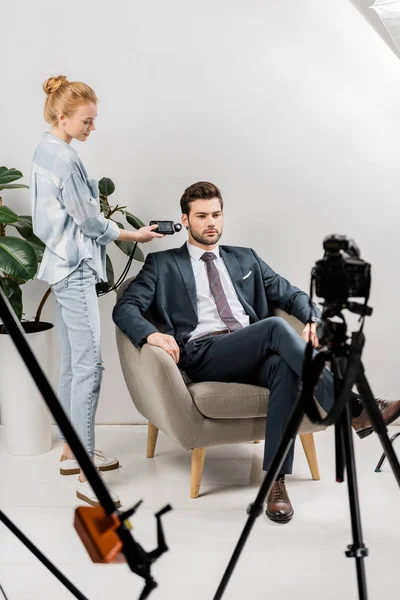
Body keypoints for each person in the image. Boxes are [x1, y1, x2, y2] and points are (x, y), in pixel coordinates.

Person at [112, 181, 400, 523]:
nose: (211, 223)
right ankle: (352, 407)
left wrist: (310, 318)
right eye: (201, 216)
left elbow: (292, 295)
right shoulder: (163, 265)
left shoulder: (245, 257)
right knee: (276, 329)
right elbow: (126, 307)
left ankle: (275, 483)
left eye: (216, 215)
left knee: (284, 367)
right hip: (206, 353)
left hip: (254, 347)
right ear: (185, 220)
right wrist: (151, 335)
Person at [30, 75, 164, 507]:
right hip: (75, 269)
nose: (93, 128)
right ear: (63, 116)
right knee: (89, 367)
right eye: (87, 121)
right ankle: (88, 472)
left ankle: (72, 451)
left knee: (73, 365)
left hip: (58, 266)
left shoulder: (44, 151)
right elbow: (89, 221)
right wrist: (133, 236)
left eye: (94, 120)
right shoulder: (66, 161)